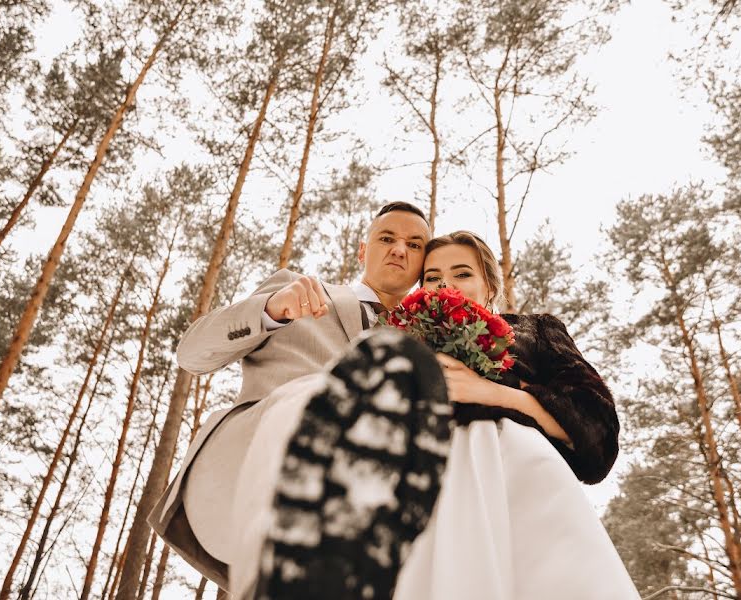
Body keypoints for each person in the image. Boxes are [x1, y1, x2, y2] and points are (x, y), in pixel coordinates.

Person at [147, 202, 440, 594]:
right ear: (361, 250)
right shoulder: (298, 291)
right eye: (386, 238)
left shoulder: (432, 347)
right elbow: (192, 354)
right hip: (252, 471)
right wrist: (270, 310)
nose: (399, 249)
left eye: (414, 244)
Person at [390, 230, 639, 600]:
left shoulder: (534, 330)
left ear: (489, 286)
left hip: (518, 476)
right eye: (433, 277)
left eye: (462, 273)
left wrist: (494, 394)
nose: (446, 285)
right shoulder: (403, 344)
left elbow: (597, 426)